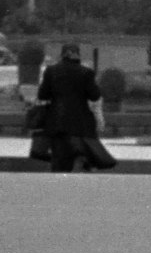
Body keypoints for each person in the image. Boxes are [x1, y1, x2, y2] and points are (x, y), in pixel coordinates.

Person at [37, 43, 116, 173]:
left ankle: (58, 181)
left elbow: (42, 95)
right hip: (80, 123)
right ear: (77, 55)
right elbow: (95, 96)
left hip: (57, 121)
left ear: (62, 55)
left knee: (59, 158)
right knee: (82, 151)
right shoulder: (86, 72)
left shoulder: (51, 71)